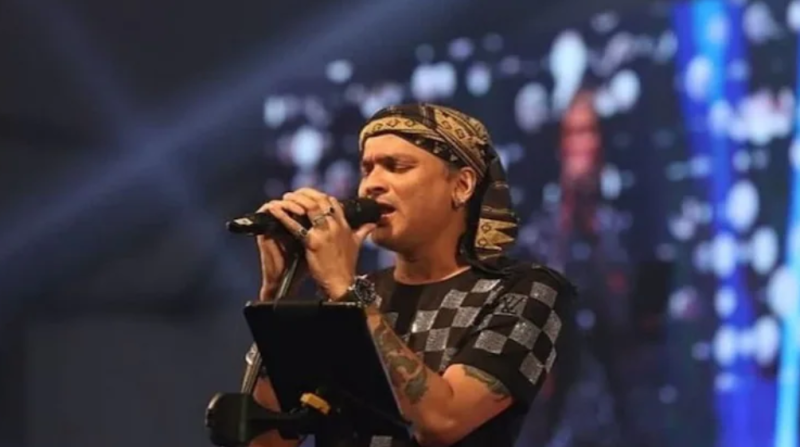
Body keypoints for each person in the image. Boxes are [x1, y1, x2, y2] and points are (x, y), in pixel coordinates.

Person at [247, 103, 576, 447]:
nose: (372, 185)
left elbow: (442, 422)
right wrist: (276, 301)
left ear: (462, 185)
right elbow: (268, 444)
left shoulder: (526, 291)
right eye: (367, 169)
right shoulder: (357, 295)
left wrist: (346, 291)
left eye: (396, 167)